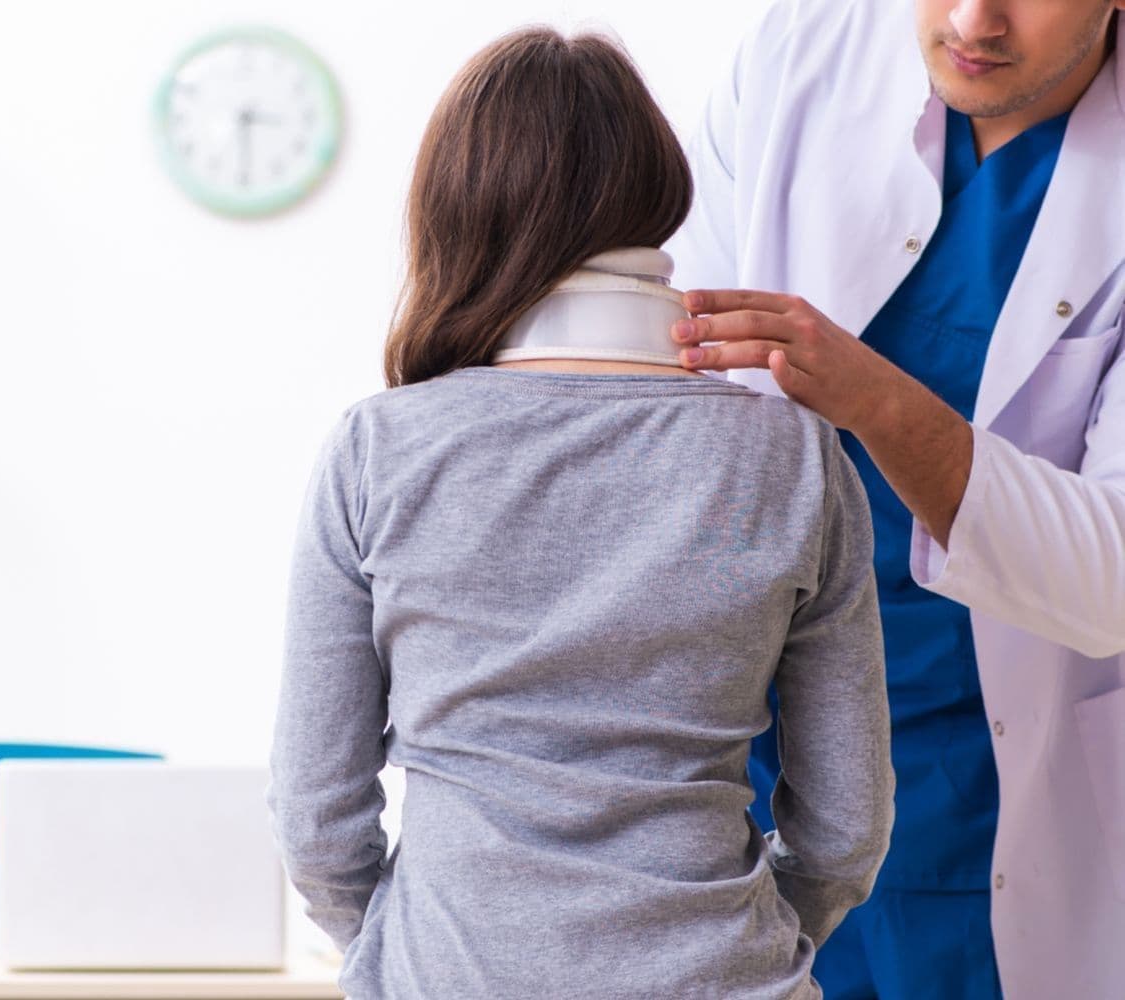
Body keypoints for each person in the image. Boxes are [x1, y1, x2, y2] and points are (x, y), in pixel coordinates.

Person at [267, 27, 894, 999]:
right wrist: (756, 939)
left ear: (453, 211)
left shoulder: (378, 450)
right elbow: (847, 829)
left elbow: (316, 818)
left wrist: (401, 950)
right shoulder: (794, 456)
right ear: (658, 194)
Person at [665, 0, 1125, 996]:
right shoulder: (799, 52)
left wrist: (876, 401)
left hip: (988, 796)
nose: (973, 20)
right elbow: (666, 375)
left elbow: (1114, 578)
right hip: (752, 770)